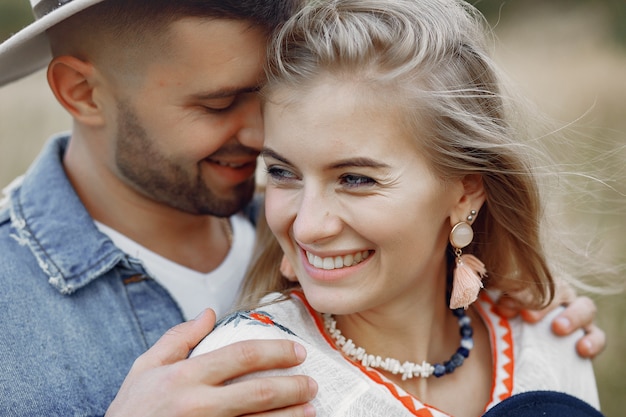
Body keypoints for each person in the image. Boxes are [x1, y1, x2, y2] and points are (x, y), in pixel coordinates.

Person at [0, 0, 605, 416]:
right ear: (81, 92)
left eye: (271, 95)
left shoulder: (297, 221)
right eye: (219, 103)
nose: (264, 132)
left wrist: (529, 324)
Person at [190, 0, 609, 416]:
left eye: (355, 179)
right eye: (283, 172)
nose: (306, 228)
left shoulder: (551, 345)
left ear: (465, 192)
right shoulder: (251, 379)